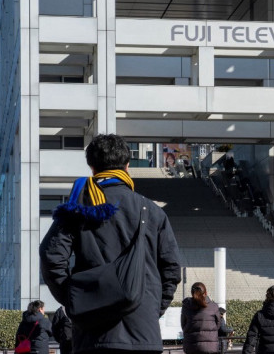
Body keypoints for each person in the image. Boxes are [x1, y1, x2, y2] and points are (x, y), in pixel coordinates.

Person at [40, 134, 182, 353]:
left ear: (92, 167)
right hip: (143, 333)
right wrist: (153, 308)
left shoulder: (80, 207)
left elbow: (51, 255)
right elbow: (171, 269)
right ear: (127, 165)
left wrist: (75, 299)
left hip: (93, 334)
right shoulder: (153, 211)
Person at [181, 282, 221, 354]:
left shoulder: (186, 306)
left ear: (192, 293)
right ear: (205, 292)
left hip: (191, 345)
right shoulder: (213, 306)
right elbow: (218, 324)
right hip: (210, 346)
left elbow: (183, 324)